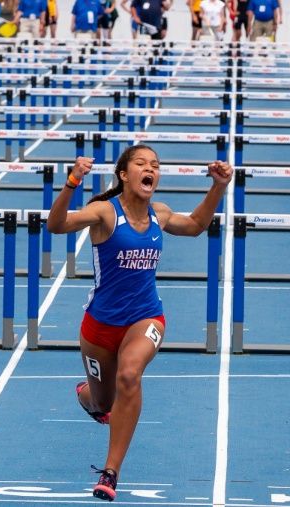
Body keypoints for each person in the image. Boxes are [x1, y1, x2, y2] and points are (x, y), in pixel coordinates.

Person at [50, 147, 230, 502]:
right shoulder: (104, 212)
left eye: (156, 166)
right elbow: (56, 226)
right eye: (142, 164)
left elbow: (194, 226)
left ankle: (111, 472)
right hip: (99, 326)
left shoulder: (159, 214)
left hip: (146, 317)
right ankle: (88, 395)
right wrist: (72, 181)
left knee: (130, 374)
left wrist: (219, 187)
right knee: (102, 403)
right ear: (124, 174)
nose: (151, 170)